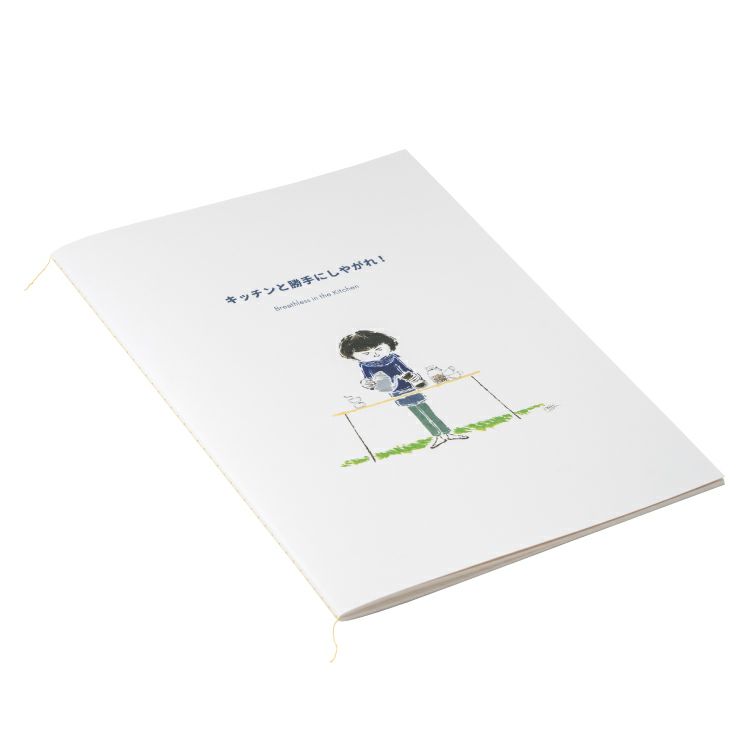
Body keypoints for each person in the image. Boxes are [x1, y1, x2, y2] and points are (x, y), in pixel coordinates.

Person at [339, 330, 468, 449]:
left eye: (379, 349)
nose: (375, 354)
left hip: (409, 388)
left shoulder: (393, 359)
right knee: (419, 415)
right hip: (395, 392)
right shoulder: (365, 365)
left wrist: (414, 379)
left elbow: (407, 372)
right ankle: (437, 436)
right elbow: (370, 381)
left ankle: (447, 433)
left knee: (427, 411)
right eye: (366, 353)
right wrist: (367, 383)